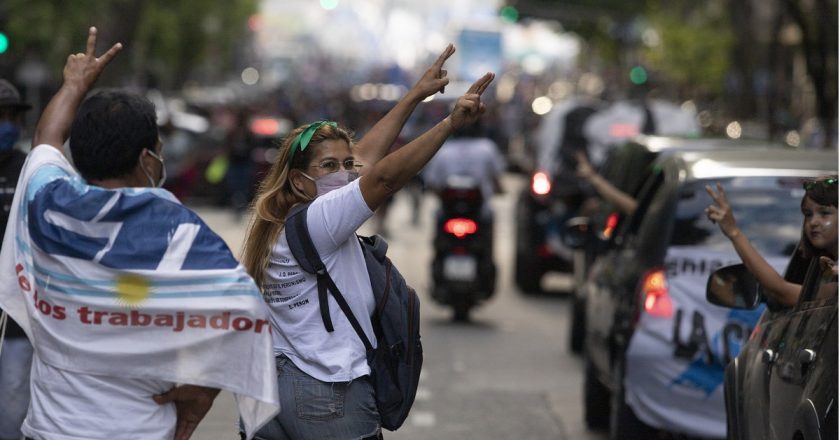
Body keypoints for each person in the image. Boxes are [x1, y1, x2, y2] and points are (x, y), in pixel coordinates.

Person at [0, 27, 279, 440]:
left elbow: (46, 139)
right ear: (148, 157)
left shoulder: (48, 205)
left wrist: (74, 84)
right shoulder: (181, 235)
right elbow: (248, 314)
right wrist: (201, 392)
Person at [240, 41, 494, 438]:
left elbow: (367, 160)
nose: (343, 174)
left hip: (267, 394)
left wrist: (414, 95)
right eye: (329, 166)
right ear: (298, 180)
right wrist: (448, 124)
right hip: (325, 393)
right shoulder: (320, 218)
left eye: (345, 165)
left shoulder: (280, 218)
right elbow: (384, 177)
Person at [705, 174, 838, 307]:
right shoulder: (826, 265)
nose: (813, 222)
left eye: (824, 213)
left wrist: (734, 233)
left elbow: (781, 292)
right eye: (808, 214)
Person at [0, 78, 33, 440]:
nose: (6, 124)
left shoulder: (32, 171)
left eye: (11, 116)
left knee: (12, 405)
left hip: (17, 319)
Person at [422, 120, 505, 220]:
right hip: (481, 213)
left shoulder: (443, 149)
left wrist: (443, 196)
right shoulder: (488, 148)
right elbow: (496, 178)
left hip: (448, 212)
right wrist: (500, 190)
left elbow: (432, 182)